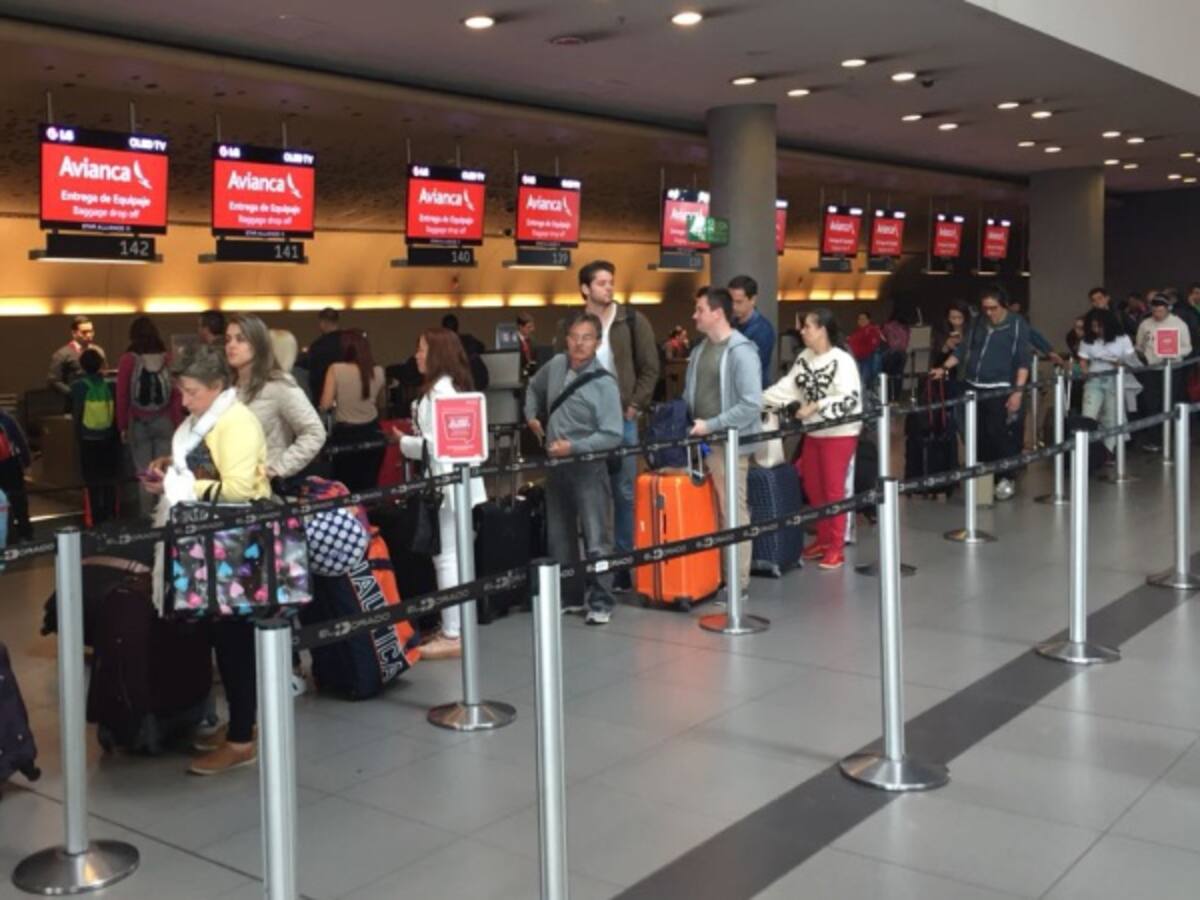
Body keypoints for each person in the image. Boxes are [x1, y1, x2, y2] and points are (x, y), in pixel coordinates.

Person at [143, 342, 271, 775]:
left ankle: (241, 738)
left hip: (231, 545)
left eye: (193, 392)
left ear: (218, 386)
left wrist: (182, 484)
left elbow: (237, 488)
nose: (185, 400)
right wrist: (171, 477)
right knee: (221, 638)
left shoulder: (236, 423)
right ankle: (241, 724)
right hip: (207, 543)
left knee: (235, 642)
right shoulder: (204, 420)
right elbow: (202, 471)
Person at [557, 260, 659, 593]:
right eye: (601, 283)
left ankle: (622, 565)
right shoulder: (573, 324)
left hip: (621, 420)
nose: (609, 288)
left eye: (611, 282)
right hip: (583, 424)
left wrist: (634, 405)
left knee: (623, 492)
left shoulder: (631, 321)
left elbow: (650, 368)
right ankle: (594, 566)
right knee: (589, 494)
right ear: (585, 288)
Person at [395, 329, 487, 658]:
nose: (417, 356)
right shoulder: (453, 387)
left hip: (446, 486)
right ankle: (459, 625)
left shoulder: (438, 393)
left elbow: (434, 447)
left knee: (446, 557)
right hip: (460, 484)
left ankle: (453, 631)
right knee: (458, 555)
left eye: (421, 350)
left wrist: (403, 443)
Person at [526, 311, 623, 624]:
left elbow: (612, 434)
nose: (580, 344)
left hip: (588, 467)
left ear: (597, 343)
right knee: (560, 537)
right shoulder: (555, 366)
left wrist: (575, 447)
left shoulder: (605, 384)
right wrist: (531, 415)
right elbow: (532, 387)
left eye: (587, 338)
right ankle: (569, 596)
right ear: (565, 340)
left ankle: (601, 601)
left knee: (596, 538)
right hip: (556, 467)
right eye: (574, 337)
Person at [764, 308, 862, 570]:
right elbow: (788, 386)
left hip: (839, 433)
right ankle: (823, 537)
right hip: (814, 432)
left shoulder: (842, 360)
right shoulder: (804, 358)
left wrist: (817, 405)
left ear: (822, 329)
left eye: (807, 326)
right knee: (814, 487)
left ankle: (836, 546)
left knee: (833, 490)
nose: (802, 331)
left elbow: (850, 398)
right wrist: (759, 399)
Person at [685, 286, 762, 594]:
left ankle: (738, 582)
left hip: (728, 445)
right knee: (711, 514)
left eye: (700, 309)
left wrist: (712, 425)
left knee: (732, 512)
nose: (694, 315)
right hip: (701, 442)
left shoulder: (742, 352)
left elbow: (750, 403)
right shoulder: (700, 350)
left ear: (717, 313)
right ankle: (715, 575)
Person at [931, 285, 1031, 501]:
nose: (989, 313)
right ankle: (984, 477)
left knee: (999, 434)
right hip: (973, 387)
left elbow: (1023, 360)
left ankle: (1005, 476)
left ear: (1003, 305)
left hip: (1000, 387)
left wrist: (1018, 392)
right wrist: (944, 367)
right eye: (985, 308)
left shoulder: (1017, 325)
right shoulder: (978, 324)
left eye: (993, 308)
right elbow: (962, 350)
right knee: (977, 435)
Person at [224, 314, 325, 492]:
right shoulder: (229, 388)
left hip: (265, 492)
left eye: (240, 339)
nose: (231, 345)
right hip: (231, 487)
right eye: (228, 339)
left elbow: (314, 432)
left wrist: (277, 469)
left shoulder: (279, 386)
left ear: (258, 345)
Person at [116, 316, 179, 518]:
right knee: (165, 470)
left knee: (145, 472)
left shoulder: (129, 360)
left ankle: (146, 519)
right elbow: (176, 393)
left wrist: (122, 425)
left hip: (139, 423)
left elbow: (122, 395)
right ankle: (165, 514)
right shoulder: (167, 358)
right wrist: (176, 422)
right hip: (165, 420)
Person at [321, 330, 386, 491]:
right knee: (369, 488)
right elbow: (381, 404)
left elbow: (325, 404)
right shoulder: (378, 371)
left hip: (346, 437)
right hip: (373, 434)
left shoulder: (336, 369)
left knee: (345, 489)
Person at [1078, 308, 1138, 455]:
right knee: (1089, 415)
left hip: (1115, 379)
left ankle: (1108, 452)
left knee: (1112, 416)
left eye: (1099, 326)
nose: (1096, 330)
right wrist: (1085, 372)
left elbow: (1132, 361)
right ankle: (1087, 450)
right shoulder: (1087, 340)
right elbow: (1083, 360)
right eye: (1093, 327)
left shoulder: (1122, 339)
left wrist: (1119, 363)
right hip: (1094, 378)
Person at [70, 349, 120, 525]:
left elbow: (77, 413)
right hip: (108, 437)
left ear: (82, 366)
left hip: (88, 439)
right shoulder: (111, 385)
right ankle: (111, 515)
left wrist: (77, 436)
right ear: (101, 364)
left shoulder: (78, 387)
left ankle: (96, 517)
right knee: (109, 479)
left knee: (91, 480)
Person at [1136, 295, 1192, 449]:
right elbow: (1139, 346)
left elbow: (1188, 347)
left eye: (1160, 311)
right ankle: (1155, 440)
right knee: (1151, 403)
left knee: (1169, 402)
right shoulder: (1145, 324)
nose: (1157, 314)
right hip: (1151, 369)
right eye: (1154, 311)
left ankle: (1171, 437)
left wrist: (1173, 352)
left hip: (1172, 369)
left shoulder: (1179, 324)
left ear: (1167, 309)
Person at [729, 274, 776, 386]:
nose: (733, 306)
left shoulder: (763, 330)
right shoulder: (731, 324)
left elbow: (751, 369)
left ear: (753, 300)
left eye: (739, 302)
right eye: (731, 301)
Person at [49, 315, 105, 399]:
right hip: (74, 402)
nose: (89, 335)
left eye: (91, 331)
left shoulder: (99, 351)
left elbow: (104, 373)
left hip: (97, 399)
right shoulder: (62, 354)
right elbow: (54, 381)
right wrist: (73, 393)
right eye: (84, 332)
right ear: (74, 333)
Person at [0, 408, 33, 541]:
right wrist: (26, 462)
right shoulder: (7, 420)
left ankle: (7, 535)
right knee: (18, 500)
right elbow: (20, 441)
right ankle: (25, 533)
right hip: (11, 465)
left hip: (8, 465)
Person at [441, 313, 490, 390]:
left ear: (443, 329)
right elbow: (482, 347)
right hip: (479, 378)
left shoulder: (443, 345)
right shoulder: (468, 339)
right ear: (457, 326)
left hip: (462, 383)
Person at [304, 307, 343, 401]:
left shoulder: (318, 346)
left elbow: (313, 375)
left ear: (322, 323)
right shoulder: (348, 341)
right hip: (345, 394)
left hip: (322, 393)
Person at [847, 311, 884, 386]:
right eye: (859, 319)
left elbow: (873, 346)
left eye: (864, 319)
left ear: (869, 320)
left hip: (866, 360)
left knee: (864, 383)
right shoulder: (857, 332)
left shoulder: (872, 330)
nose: (861, 320)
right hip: (856, 360)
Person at [931, 302, 970, 372]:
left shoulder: (971, 330)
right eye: (953, 318)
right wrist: (945, 346)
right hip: (948, 371)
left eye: (960, 317)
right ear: (948, 318)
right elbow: (937, 360)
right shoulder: (941, 332)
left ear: (965, 317)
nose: (956, 321)